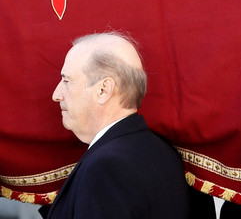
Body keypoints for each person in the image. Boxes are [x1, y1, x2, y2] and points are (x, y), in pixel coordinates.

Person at [41, 32, 190, 219]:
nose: (56, 94)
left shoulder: (106, 167)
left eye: (67, 81)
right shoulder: (164, 152)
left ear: (103, 90)